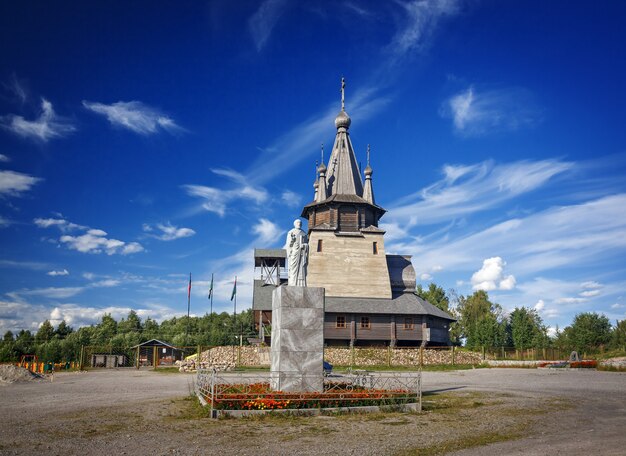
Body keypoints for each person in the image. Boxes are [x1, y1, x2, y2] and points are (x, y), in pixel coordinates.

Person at [285, 219, 308, 286]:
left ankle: (301, 284)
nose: (299, 224)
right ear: (294, 224)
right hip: (294, 253)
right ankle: (292, 283)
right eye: (298, 223)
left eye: (300, 223)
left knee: (302, 269)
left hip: (302, 253)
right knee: (293, 268)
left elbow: (307, 244)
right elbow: (288, 245)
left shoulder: (304, 233)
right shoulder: (291, 232)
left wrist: (304, 245)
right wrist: (292, 241)